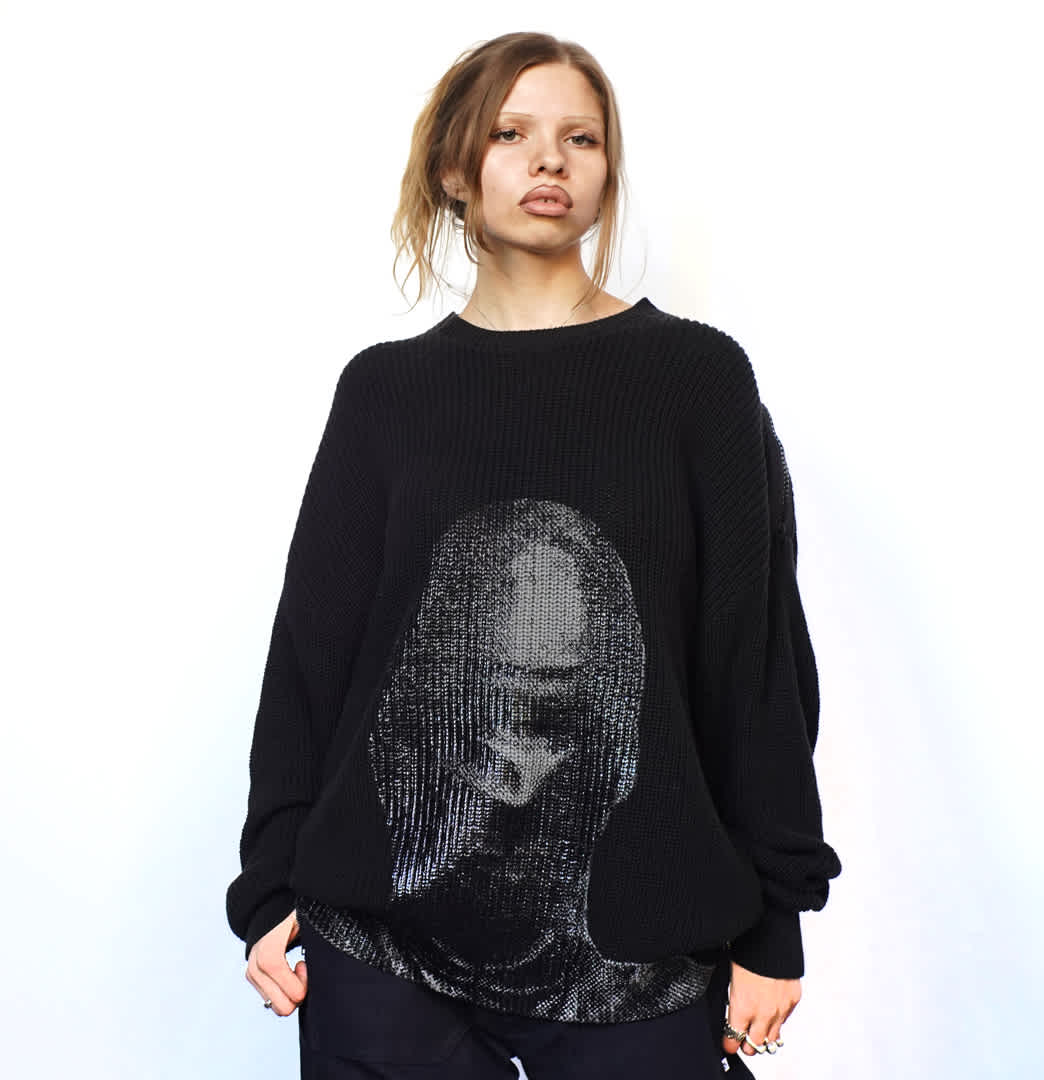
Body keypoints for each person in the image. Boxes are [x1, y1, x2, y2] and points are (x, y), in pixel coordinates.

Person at [226, 31, 842, 1080]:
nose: (549, 159)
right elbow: (312, 658)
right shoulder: (385, 393)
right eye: (510, 133)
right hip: (379, 946)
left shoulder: (696, 381)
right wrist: (270, 887)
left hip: (639, 956)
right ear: (455, 171)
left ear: (606, 171)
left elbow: (753, 660)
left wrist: (774, 919)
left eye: (581, 138)